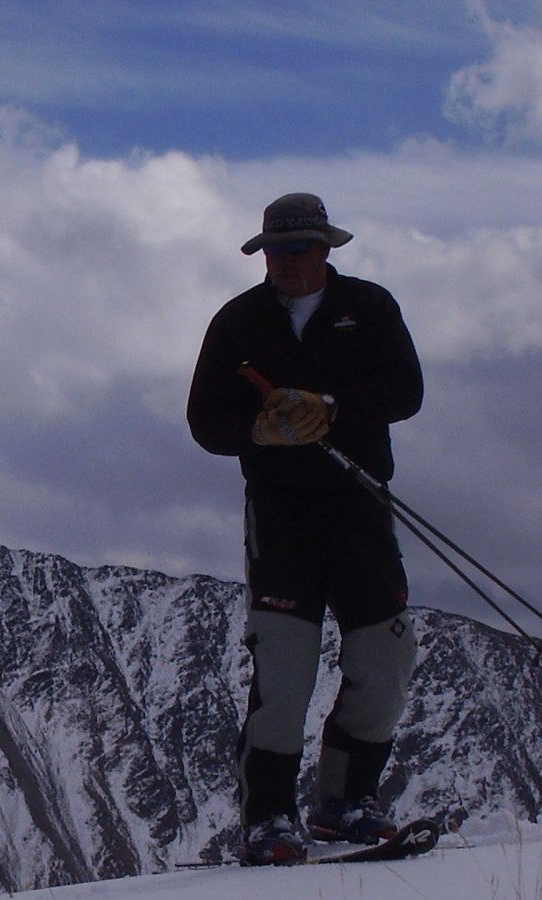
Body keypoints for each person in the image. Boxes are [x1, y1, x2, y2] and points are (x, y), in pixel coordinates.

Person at [186, 192, 424, 866]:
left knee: (384, 657)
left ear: (326, 249)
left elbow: (405, 392)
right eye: (272, 251)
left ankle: (345, 802)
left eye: (296, 249)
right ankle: (267, 819)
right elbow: (206, 422)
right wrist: (258, 431)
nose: (283, 263)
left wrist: (331, 408)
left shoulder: (371, 309)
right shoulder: (236, 324)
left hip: (360, 502)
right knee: (284, 669)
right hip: (281, 513)